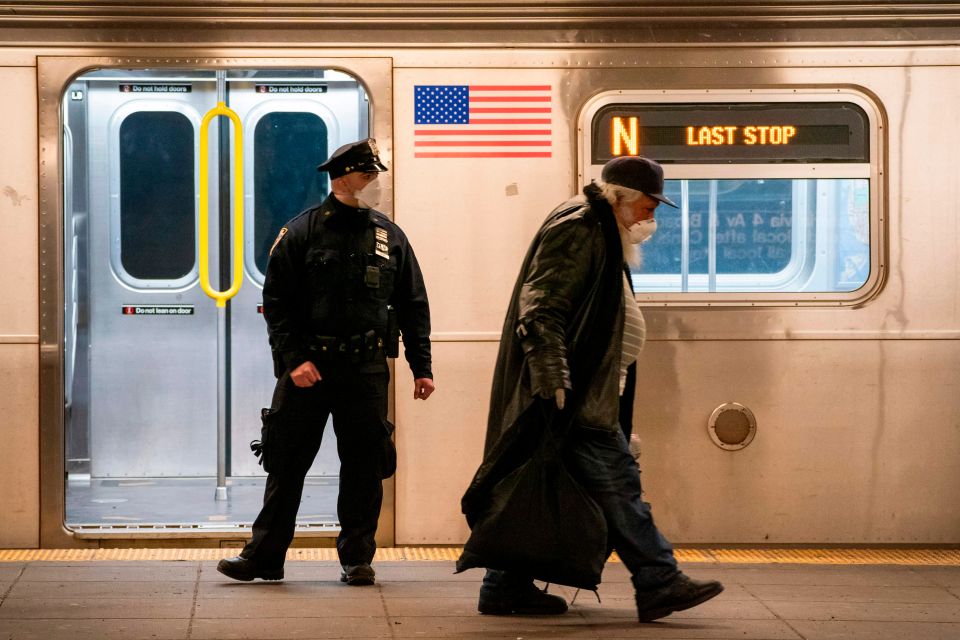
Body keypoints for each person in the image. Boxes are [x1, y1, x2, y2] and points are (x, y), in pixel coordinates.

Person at [462, 156, 723, 621]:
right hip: (576, 395)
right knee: (619, 486)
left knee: (554, 483)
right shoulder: (582, 227)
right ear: (622, 196)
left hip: (585, 390)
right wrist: (552, 374)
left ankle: (505, 584)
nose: (651, 216)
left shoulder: (601, 227)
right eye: (649, 204)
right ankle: (659, 579)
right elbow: (541, 305)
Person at [218, 138, 434, 586]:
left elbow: (413, 303)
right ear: (342, 178)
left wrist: (422, 365)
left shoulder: (389, 235)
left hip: (366, 369)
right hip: (309, 372)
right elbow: (276, 303)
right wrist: (293, 360)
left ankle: (357, 558)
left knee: (364, 465)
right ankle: (265, 557)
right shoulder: (301, 232)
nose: (375, 183)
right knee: (286, 464)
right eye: (367, 175)